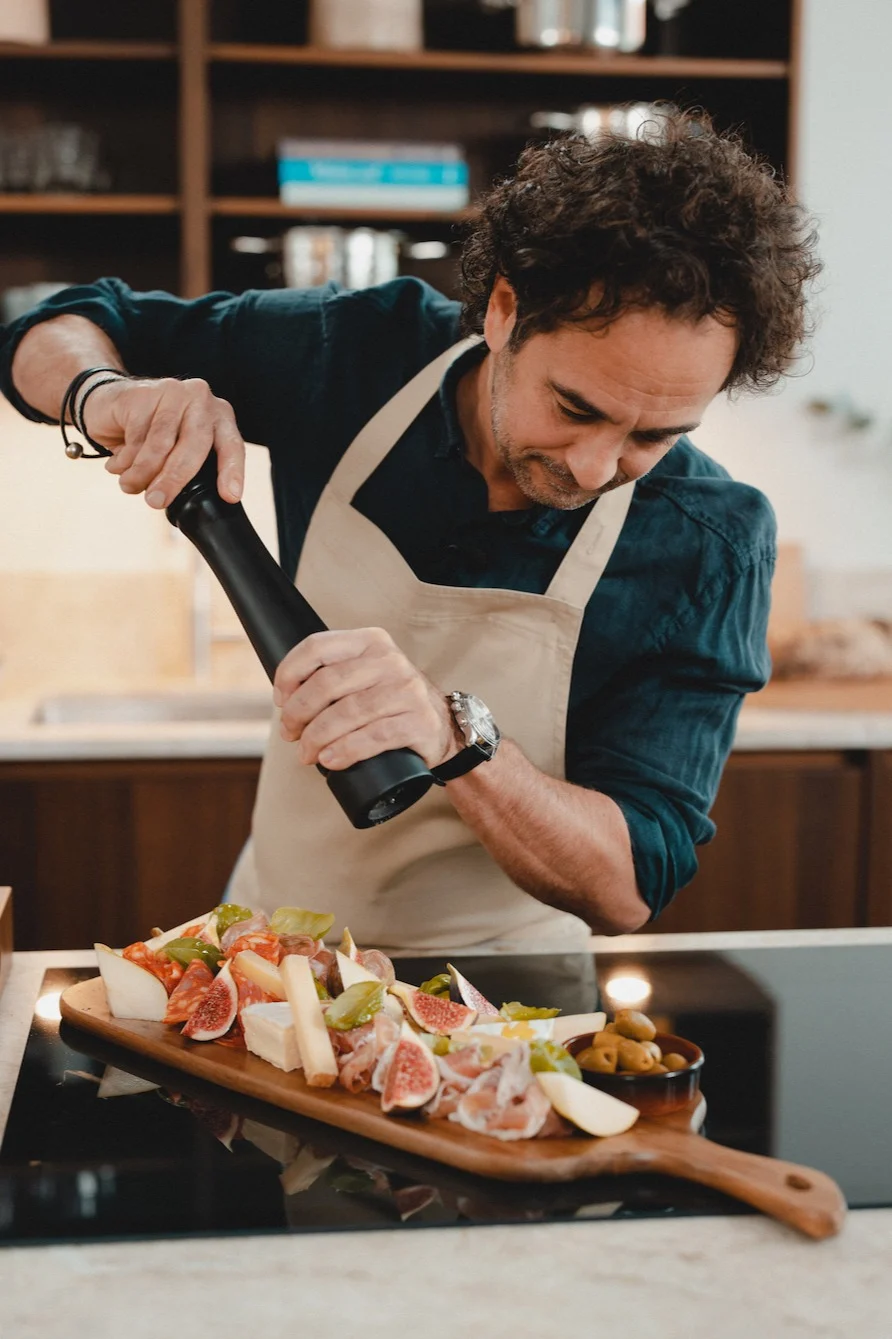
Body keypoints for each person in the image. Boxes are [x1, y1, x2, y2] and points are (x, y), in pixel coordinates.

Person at [0, 109, 819, 952]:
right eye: (575, 407)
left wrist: (455, 736)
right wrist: (106, 396)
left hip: (511, 1000)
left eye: (655, 435)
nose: (593, 466)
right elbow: (54, 325)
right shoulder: (354, 352)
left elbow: (627, 888)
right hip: (272, 951)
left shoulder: (712, 539)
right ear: (504, 310)